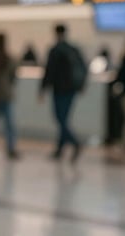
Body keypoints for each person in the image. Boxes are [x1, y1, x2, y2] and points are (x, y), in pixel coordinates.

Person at [39, 24, 86, 162]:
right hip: (71, 89)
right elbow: (83, 67)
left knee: (60, 119)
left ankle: (75, 142)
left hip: (59, 89)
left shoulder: (55, 50)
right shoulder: (73, 49)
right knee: (63, 119)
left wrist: (42, 89)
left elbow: (49, 71)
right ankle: (59, 149)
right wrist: (81, 85)